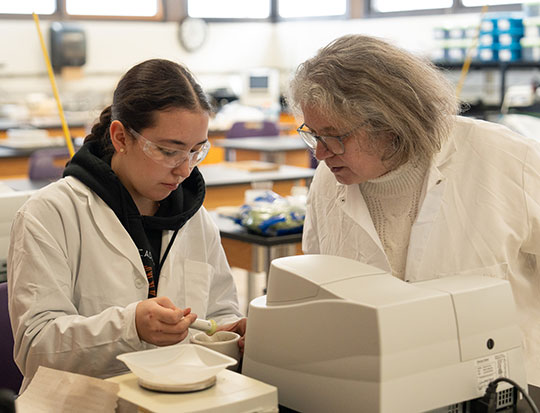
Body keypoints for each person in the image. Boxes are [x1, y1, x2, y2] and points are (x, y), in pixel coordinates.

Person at [288, 34, 540, 386]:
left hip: (504, 386)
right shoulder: (328, 182)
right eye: (311, 133)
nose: (320, 152)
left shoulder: (509, 160)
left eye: (333, 135)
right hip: (377, 387)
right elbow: (319, 290)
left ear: (391, 126)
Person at [8, 58, 246, 391]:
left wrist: (230, 333)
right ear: (121, 137)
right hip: (79, 403)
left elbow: (219, 310)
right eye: (168, 151)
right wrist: (128, 327)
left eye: (196, 151)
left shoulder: (195, 218)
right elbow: (36, 347)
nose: (185, 170)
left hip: (182, 399)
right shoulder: (51, 214)